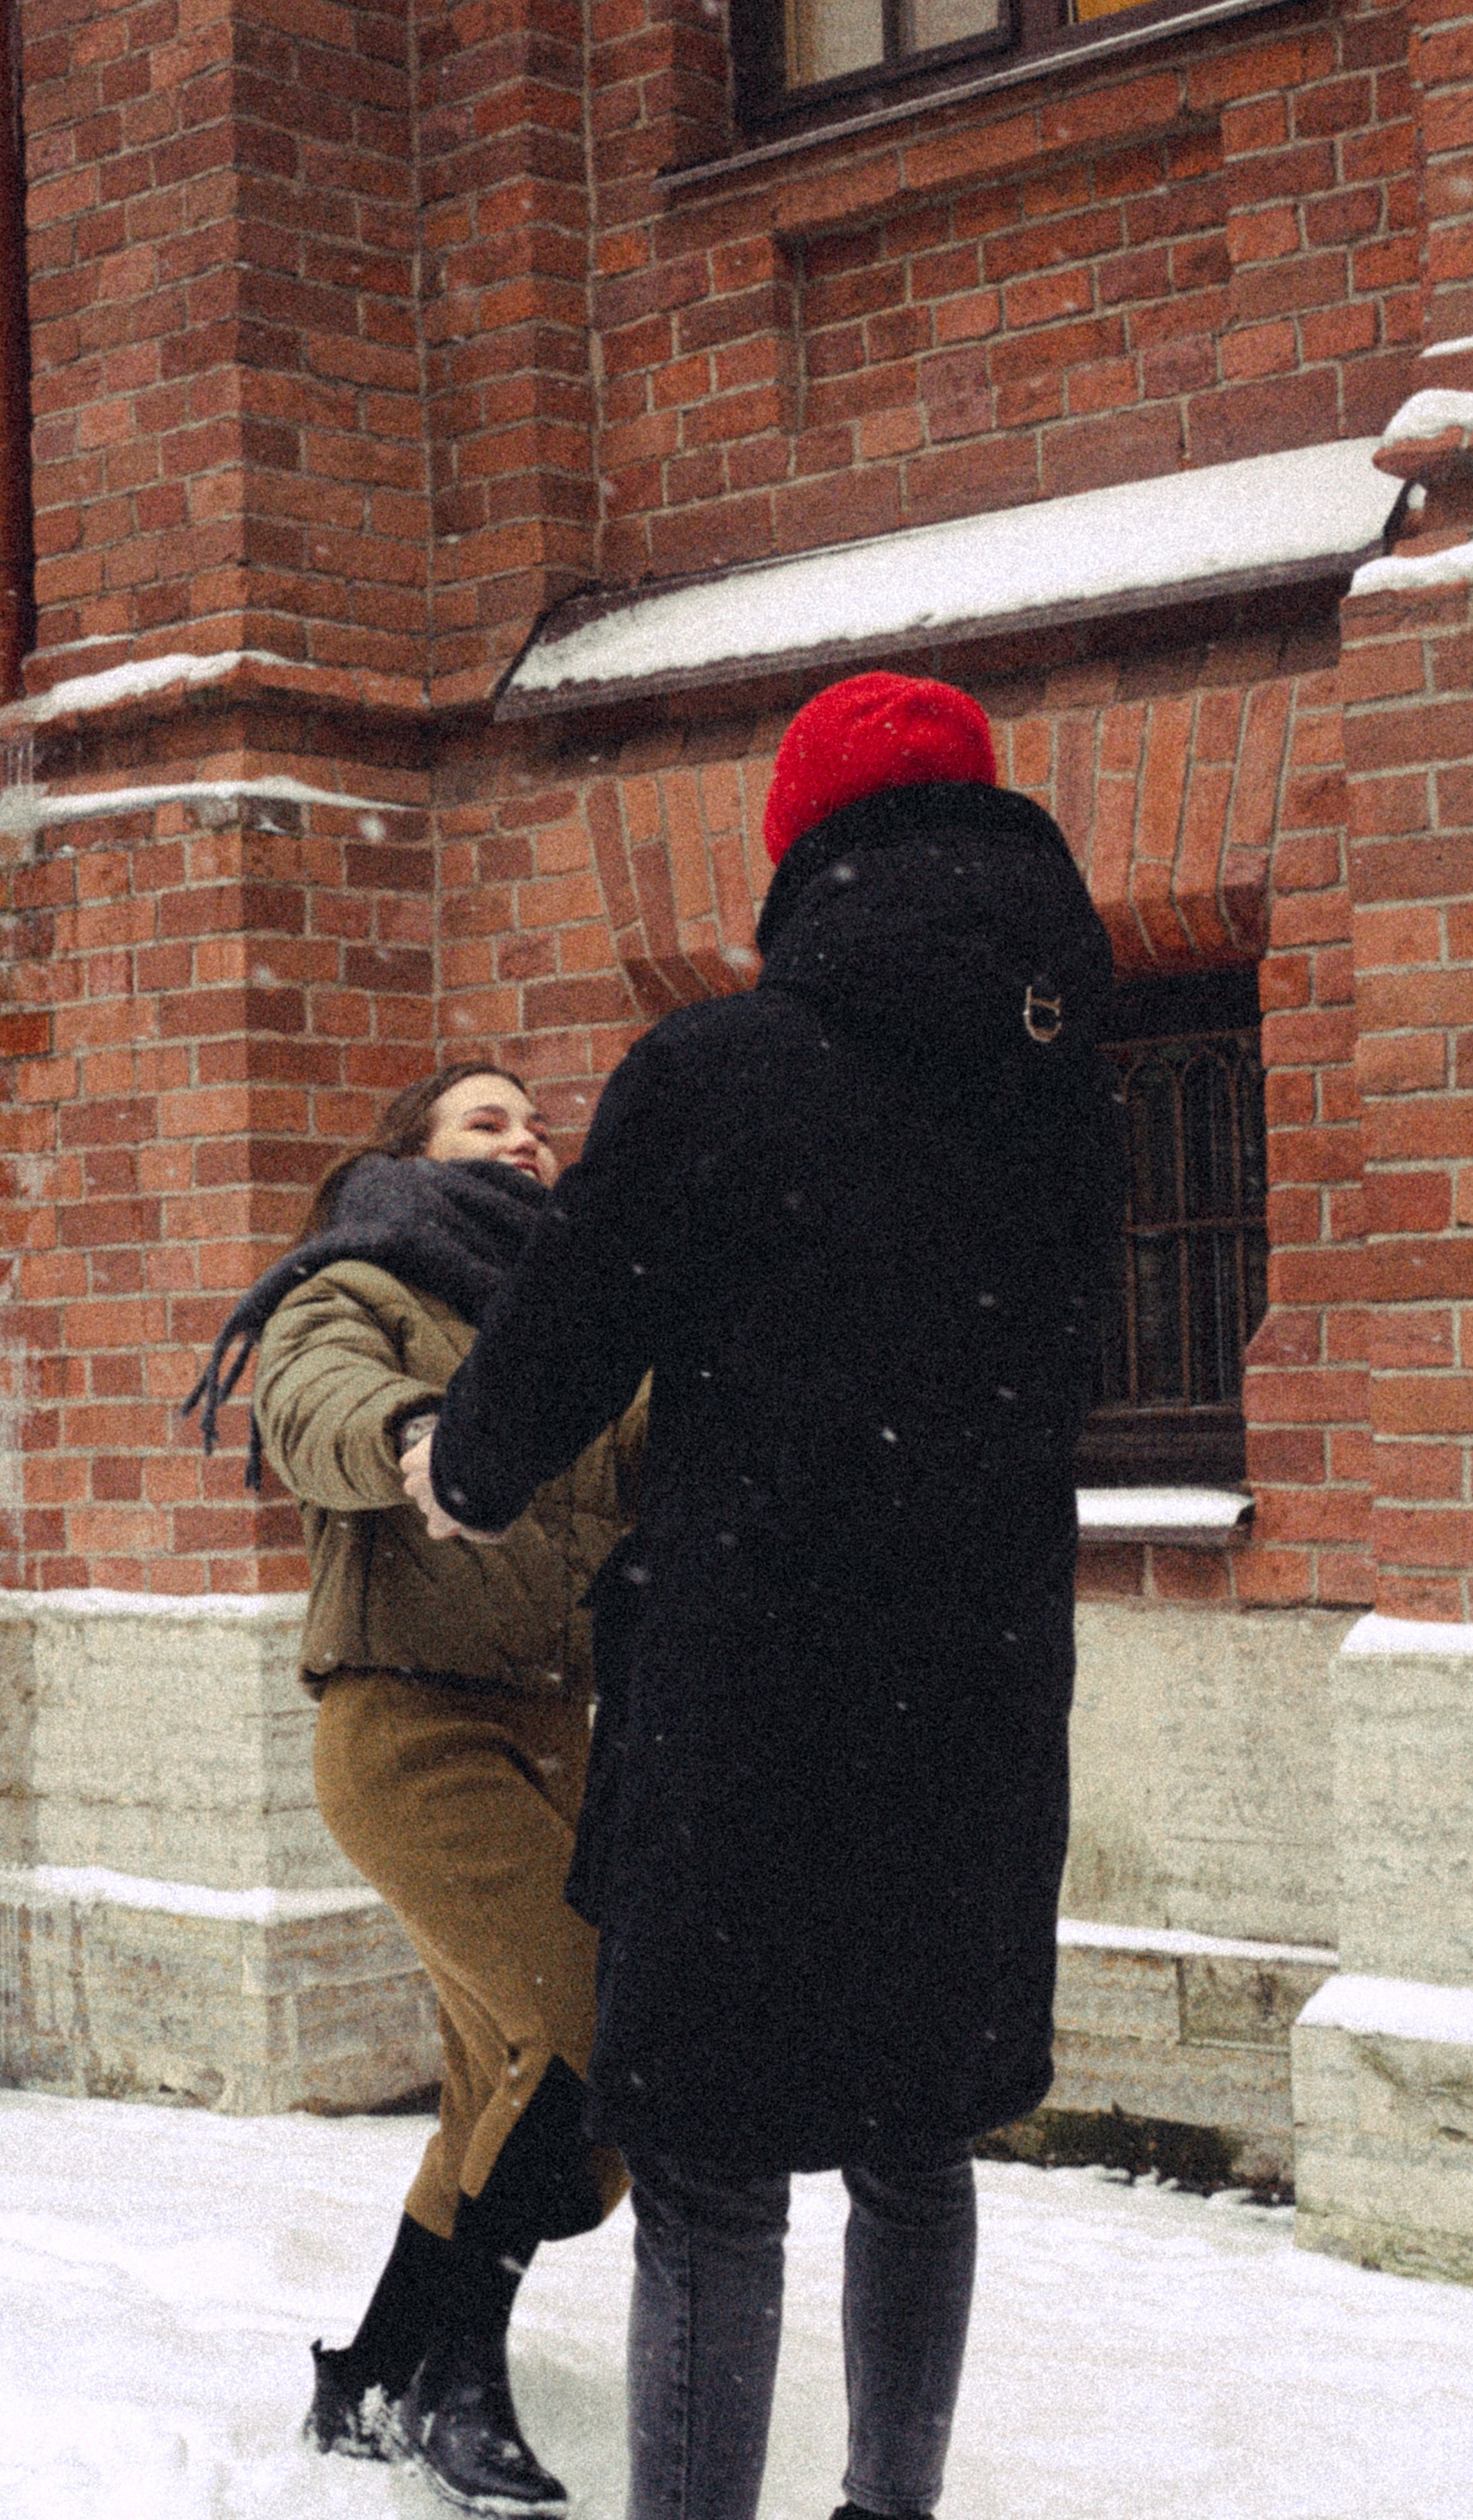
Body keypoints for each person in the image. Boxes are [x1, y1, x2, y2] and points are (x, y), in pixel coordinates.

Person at [402, 674, 1121, 2520]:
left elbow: (563, 1334)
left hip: (759, 1691)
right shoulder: (1072, 1084)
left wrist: (461, 1468)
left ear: (804, 849)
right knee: (914, 2132)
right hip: (976, 1696)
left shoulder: (723, 1070)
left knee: (711, 2166)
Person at [185, 1064, 647, 2518]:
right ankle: (459, 2378)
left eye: (534, 1123)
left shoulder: (579, 1323)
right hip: (411, 1734)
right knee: (598, 2027)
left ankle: (374, 2372)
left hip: (560, 1740)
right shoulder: (358, 1281)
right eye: (486, 1123)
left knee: (504, 2084)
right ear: (415, 1154)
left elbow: (649, 1466)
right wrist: (414, 1440)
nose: (526, 1140)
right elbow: (311, 1402)